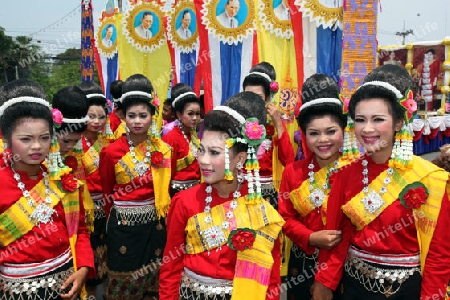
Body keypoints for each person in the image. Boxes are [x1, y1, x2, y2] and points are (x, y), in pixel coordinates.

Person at [311, 64, 450, 299]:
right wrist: (324, 282)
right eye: (360, 120)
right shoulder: (345, 175)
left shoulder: (429, 178)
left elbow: (439, 253)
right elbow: (336, 238)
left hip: (406, 290)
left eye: (377, 119)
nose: (367, 129)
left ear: (398, 123)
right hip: (353, 286)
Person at [159, 91, 285, 300]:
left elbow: (269, 279)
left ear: (240, 158)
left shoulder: (260, 209)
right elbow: (171, 266)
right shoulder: (184, 202)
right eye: (201, 150)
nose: (203, 160)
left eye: (214, 152)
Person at [0, 79, 95, 300]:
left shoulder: (62, 179)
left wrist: (83, 268)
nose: (36, 146)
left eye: (44, 138)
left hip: (65, 284)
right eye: (26, 139)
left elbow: (79, 230)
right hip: (14, 290)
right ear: (6, 139)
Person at [278, 74, 355, 299]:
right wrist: (311, 237)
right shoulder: (293, 172)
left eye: (331, 131)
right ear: (304, 135)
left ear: (344, 130)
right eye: (314, 133)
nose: (323, 140)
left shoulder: (355, 171)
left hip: (343, 263)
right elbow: (285, 217)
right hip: (302, 261)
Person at [99, 74, 173, 300]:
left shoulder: (164, 150)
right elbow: (106, 192)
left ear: (153, 116)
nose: (137, 121)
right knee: (124, 277)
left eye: (143, 115)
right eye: (132, 116)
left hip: (154, 223)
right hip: (123, 225)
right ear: (122, 117)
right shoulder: (111, 153)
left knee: (152, 277)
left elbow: (166, 190)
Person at [242, 62, 295, 209]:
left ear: (267, 98)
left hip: (267, 195)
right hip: (240, 193)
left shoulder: (274, 124)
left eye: (258, 97)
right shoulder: (237, 120)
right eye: (247, 95)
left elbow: (288, 159)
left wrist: (278, 122)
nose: (252, 101)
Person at [78, 82, 114, 299]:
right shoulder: (74, 143)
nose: (97, 122)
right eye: (91, 116)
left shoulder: (107, 141)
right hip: (83, 207)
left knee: (104, 259)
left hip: (105, 206)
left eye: (101, 117)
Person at [162, 83, 201, 196]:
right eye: (190, 114)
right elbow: (166, 173)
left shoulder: (194, 136)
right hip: (177, 193)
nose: (195, 118)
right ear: (179, 114)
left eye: (198, 114)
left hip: (196, 191)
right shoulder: (170, 139)